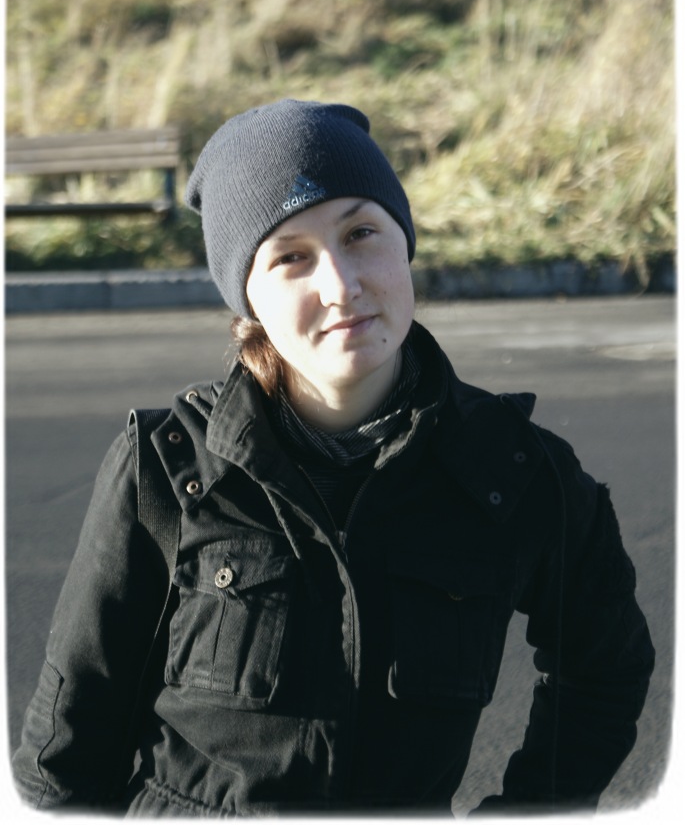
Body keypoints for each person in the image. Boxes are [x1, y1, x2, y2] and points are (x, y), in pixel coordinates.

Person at [12, 99, 655, 816]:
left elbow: (605, 671)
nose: (342, 286)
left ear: (403, 244)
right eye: (291, 256)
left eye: (361, 233)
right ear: (247, 300)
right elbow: (67, 746)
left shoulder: (515, 470)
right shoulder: (165, 468)